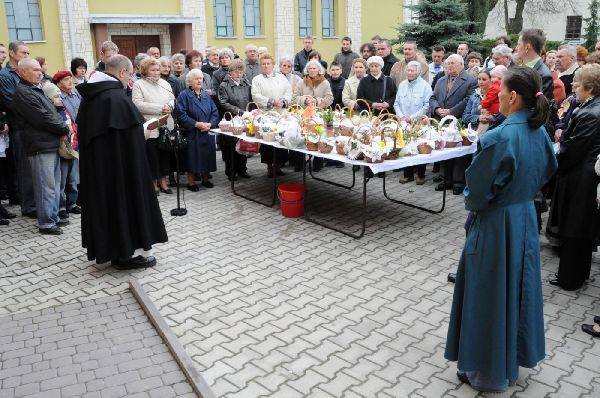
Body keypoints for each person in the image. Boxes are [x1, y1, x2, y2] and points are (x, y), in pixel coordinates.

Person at [446, 66, 557, 394]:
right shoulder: (539, 131)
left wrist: (483, 200)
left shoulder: (499, 137)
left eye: (499, 88)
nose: (494, 94)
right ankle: (510, 360)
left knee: (489, 292)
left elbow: (477, 192)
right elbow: (550, 167)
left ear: (512, 97)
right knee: (516, 288)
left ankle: (486, 371)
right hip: (523, 218)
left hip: (496, 223)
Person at [76, 54, 167, 268]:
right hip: (119, 170)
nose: (129, 81)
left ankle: (113, 250)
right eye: (130, 75)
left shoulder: (92, 95)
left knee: (108, 205)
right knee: (123, 203)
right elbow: (128, 136)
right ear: (123, 72)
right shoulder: (115, 98)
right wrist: (142, 131)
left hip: (100, 170)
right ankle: (125, 254)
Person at [547, 64, 600, 291]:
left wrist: (555, 161)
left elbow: (573, 149)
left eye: (577, 83)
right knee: (581, 228)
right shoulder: (589, 107)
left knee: (574, 227)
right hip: (584, 174)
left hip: (581, 177)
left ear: (589, 87)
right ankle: (579, 274)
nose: (573, 86)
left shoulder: (589, 113)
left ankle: (569, 278)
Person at [12, 59, 70, 235]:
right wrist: (63, 127)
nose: (40, 73)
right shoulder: (24, 92)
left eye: (40, 70)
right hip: (39, 145)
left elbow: (51, 113)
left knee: (54, 185)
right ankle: (46, 223)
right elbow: (42, 117)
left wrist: (61, 126)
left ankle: (53, 217)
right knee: (46, 186)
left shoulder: (35, 89)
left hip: (49, 143)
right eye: (35, 70)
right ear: (22, 72)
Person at [429, 54, 478, 195]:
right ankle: (446, 179)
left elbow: (468, 99)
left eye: (452, 63)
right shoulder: (441, 79)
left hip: (458, 121)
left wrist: (451, 111)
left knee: (459, 153)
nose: (449, 66)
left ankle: (458, 182)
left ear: (461, 65)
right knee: (444, 150)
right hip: (442, 121)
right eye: (447, 63)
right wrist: (437, 109)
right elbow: (433, 97)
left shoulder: (470, 80)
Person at [132, 57, 175, 195]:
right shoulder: (139, 84)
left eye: (158, 69)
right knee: (152, 156)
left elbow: (173, 99)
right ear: (145, 70)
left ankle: (164, 181)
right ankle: (153, 184)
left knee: (164, 155)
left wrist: (169, 106)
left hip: (166, 124)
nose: (157, 72)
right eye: (153, 70)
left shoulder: (165, 83)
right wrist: (160, 108)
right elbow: (137, 104)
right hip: (150, 126)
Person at [0, 41, 34, 214]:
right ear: (12, 54)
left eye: (28, 53)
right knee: (24, 168)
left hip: (31, 126)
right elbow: (12, 102)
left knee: (32, 168)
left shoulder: (25, 72)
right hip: (19, 127)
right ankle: (28, 206)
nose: (27, 56)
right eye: (23, 53)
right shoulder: (5, 75)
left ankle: (33, 203)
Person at [41, 82, 79, 220]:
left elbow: (72, 124)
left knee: (72, 178)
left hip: (71, 147)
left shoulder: (63, 109)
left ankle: (72, 203)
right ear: (49, 98)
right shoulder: (52, 112)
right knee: (61, 181)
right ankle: (61, 207)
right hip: (60, 149)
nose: (60, 99)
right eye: (57, 97)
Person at [176, 69, 218, 190]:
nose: (199, 80)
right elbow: (181, 114)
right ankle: (191, 182)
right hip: (193, 132)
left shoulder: (205, 94)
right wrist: (196, 124)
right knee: (192, 157)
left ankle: (205, 179)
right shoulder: (184, 95)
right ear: (189, 81)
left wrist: (210, 124)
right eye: (196, 78)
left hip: (207, 130)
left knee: (207, 155)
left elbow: (214, 111)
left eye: (201, 78)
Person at [252, 53, 292, 177]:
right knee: (268, 142)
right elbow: (256, 95)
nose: (266, 66)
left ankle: (279, 165)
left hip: (281, 114)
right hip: (266, 115)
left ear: (273, 65)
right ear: (260, 65)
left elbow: (288, 91)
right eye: (263, 64)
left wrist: (284, 101)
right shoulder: (257, 79)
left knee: (281, 139)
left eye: (268, 63)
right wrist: (271, 101)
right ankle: (270, 166)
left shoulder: (281, 77)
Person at [394, 61, 432, 185]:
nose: (409, 73)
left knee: (420, 147)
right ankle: (408, 174)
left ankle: (421, 175)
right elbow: (396, 103)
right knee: (406, 147)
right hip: (404, 122)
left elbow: (427, 105)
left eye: (412, 70)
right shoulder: (402, 85)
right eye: (408, 70)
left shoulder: (425, 86)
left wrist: (413, 117)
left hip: (419, 123)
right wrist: (401, 116)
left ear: (418, 72)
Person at [218, 58, 253, 181]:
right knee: (231, 148)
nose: (239, 74)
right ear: (230, 72)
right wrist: (238, 111)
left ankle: (242, 170)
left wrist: (250, 111)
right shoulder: (224, 85)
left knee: (242, 145)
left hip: (244, 119)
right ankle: (231, 172)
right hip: (231, 121)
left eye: (241, 72)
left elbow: (250, 100)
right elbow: (223, 102)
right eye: (237, 72)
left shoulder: (245, 83)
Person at [53, 71, 81, 216]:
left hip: (78, 138)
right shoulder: (58, 98)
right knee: (63, 175)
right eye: (66, 79)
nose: (70, 81)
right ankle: (62, 206)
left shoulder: (76, 94)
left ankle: (73, 203)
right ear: (58, 84)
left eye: (70, 78)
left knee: (74, 175)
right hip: (65, 140)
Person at [515, 29, 554, 101]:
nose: (516, 48)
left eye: (518, 44)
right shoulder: (520, 68)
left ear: (527, 47)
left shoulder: (543, 75)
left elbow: (540, 107)